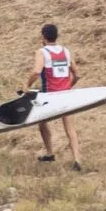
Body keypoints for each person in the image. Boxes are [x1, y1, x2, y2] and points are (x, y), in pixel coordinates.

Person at [29, 23, 83, 167]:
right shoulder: (66, 51)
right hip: (66, 95)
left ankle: (50, 153)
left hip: (49, 96)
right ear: (56, 36)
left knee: (42, 123)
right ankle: (77, 159)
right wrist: (68, 86)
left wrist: (26, 85)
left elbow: (36, 72)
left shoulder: (42, 52)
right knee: (70, 128)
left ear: (43, 36)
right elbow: (77, 74)